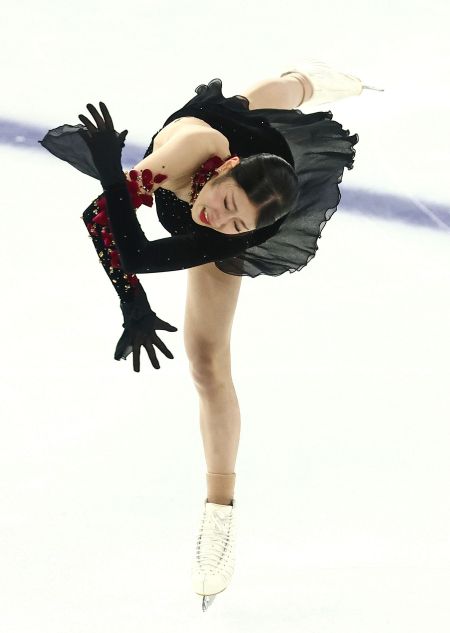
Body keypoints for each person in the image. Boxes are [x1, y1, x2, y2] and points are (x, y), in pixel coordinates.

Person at [38, 61, 382, 611]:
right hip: (223, 134)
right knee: (259, 99)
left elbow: (140, 254)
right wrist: (132, 298)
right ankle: (309, 79)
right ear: (226, 171)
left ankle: (220, 511)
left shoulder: (239, 228)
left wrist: (135, 295)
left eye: (235, 225)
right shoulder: (191, 150)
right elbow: (100, 216)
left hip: (258, 186)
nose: (217, 220)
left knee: (206, 363)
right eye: (225, 206)